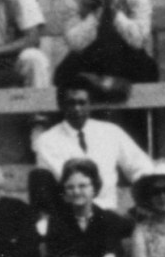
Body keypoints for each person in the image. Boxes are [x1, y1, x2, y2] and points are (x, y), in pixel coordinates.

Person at [52, 0, 159, 99]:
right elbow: (74, 43)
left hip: (127, 55)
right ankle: (110, 85)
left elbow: (139, 40)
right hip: (89, 55)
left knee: (149, 69)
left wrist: (115, 11)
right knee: (63, 74)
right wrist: (95, 14)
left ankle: (101, 84)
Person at [34, 81, 153, 218]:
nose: (77, 109)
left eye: (82, 103)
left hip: (109, 215)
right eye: (71, 103)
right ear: (62, 106)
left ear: (90, 104)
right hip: (71, 218)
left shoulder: (111, 131)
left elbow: (141, 167)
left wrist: (142, 199)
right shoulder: (47, 141)